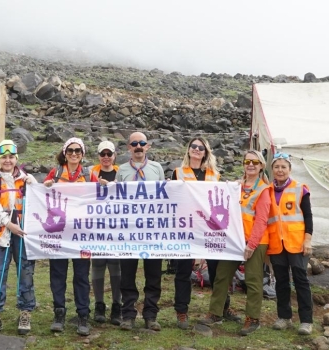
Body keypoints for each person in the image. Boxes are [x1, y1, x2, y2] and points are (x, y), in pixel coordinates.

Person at [199, 150, 270, 335]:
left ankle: (252, 319)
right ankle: (215, 313)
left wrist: (252, 245)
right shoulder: (236, 186)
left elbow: (261, 220)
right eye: (247, 161)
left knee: (253, 281)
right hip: (234, 240)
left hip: (255, 242)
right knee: (222, 275)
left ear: (261, 166)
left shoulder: (263, 190)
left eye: (255, 162)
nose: (251, 164)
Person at [0, 140, 37, 336]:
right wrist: (9, 224)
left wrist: (37, 184)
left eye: (11, 157)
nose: (7, 160)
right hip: (1, 234)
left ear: (16, 159)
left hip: (23, 234)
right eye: (4, 157)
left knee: (26, 273)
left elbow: (40, 200)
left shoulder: (27, 180)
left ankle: (25, 312)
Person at [170, 137, 225, 329]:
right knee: (183, 271)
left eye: (200, 147)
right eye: (193, 146)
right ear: (188, 150)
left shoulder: (215, 175)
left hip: (210, 229)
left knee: (216, 271)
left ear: (206, 152)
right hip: (186, 229)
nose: (196, 149)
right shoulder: (177, 173)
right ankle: (182, 311)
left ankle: (221, 309)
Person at [43, 137, 93, 336]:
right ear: (65, 153)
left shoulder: (89, 176)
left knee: (81, 276)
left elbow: (102, 198)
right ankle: (59, 313)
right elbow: (41, 195)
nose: (74, 154)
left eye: (78, 151)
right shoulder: (55, 174)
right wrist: (44, 186)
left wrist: (107, 187)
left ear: (82, 154)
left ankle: (83, 315)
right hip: (59, 234)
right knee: (58, 274)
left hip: (82, 235)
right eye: (70, 150)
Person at [115, 132, 165, 331]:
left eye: (142, 143)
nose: (138, 146)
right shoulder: (122, 171)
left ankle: (150, 315)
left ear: (148, 146)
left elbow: (165, 197)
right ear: (129, 147)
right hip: (129, 232)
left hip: (153, 232)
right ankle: (128, 315)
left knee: (153, 275)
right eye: (134, 143)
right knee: (127, 275)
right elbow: (115, 198)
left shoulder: (157, 168)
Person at [267, 152, 314, 335]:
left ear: (289, 169)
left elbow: (308, 216)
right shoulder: (268, 190)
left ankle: (306, 321)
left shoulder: (300, 188)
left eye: (283, 167)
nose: (280, 170)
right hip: (276, 244)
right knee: (281, 281)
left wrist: (308, 239)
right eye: (276, 167)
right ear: (272, 170)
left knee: (301, 280)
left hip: (297, 243)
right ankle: (284, 317)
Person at [88, 140, 122, 325]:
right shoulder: (91, 172)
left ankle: (117, 305)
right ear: (98, 155)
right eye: (103, 154)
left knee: (116, 265)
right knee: (98, 263)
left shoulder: (121, 172)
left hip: (117, 225)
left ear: (114, 155)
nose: (106, 157)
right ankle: (99, 304)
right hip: (96, 225)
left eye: (109, 154)